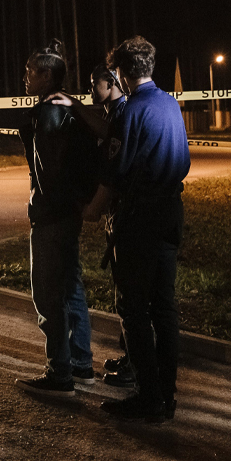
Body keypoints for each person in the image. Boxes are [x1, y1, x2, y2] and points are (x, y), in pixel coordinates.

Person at [56, 36, 189, 422]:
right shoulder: (169, 104)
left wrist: (92, 211)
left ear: (121, 72)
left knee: (133, 308)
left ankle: (147, 397)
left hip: (139, 219)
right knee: (164, 307)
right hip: (171, 213)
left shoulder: (130, 112)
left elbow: (113, 175)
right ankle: (166, 395)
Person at [15, 40, 96, 397]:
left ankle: (59, 374)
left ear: (47, 75)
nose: (25, 77)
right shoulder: (69, 108)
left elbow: (49, 171)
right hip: (69, 212)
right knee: (71, 287)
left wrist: (43, 207)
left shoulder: (48, 111)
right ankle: (81, 364)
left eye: (30, 72)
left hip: (52, 216)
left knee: (49, 294)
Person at [88, 63, 137, 388]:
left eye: (95, 83)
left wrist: (95, 207)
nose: (91, 89)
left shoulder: (122, 114)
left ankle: (136, 363)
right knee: (123, 288)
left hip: (125, 213)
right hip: (117, 213)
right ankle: (130, 353)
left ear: (112, 82)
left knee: (129, 293)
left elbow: (115, 170)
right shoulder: (110, 113)